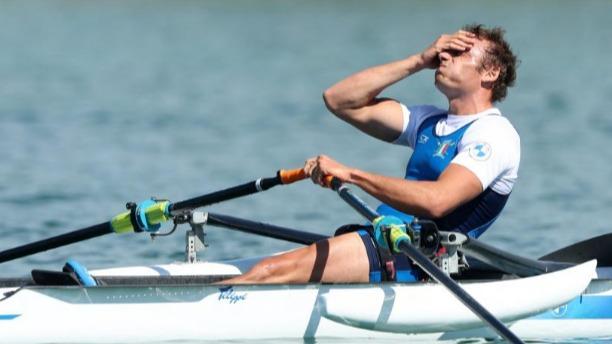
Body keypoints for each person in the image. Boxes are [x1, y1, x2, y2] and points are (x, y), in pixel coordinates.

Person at [223, 24, 520, 284]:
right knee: (271, 268)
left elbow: (437, 201)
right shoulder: (427, 122)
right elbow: (340, 100)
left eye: (459, 53)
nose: (443, 56)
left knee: (268, 271)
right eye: (445, 51)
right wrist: (417, 61)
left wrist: (351, 174)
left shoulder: (493, 135)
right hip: (383, 238)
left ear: (491, 73)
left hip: (418, 256)